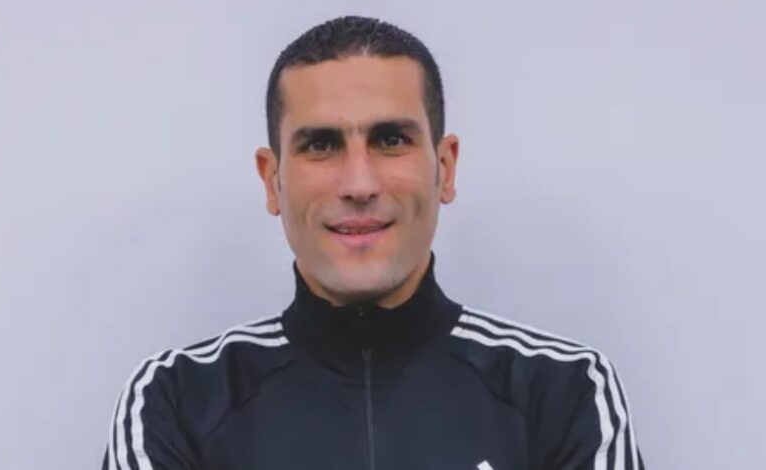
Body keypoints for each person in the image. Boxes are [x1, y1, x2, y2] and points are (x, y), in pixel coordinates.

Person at [102, 15, 644, 470]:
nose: (359, 184)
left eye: (390, 140)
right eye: (321, 145)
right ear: (272, 180)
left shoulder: (564, 391)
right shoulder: (176, 400)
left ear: (445, 167)